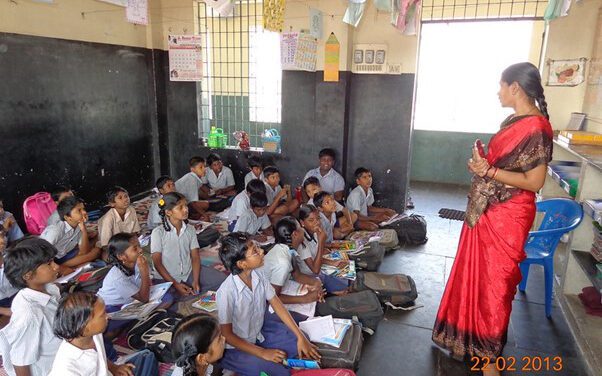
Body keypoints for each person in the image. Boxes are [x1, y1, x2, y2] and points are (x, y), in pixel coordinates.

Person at [432, 62, 553, 376]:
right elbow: (509, 169)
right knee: (477, 278)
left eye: (501, 85)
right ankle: (471, 341)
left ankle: (489, 361)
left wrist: (490, 171)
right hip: (490, 210)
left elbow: (535, 181)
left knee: (495, 286)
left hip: (508, 217)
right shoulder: (514, 120)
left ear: (515, 87)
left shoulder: (536, 127)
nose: (497, 91)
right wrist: (484, 165)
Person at [216, 232, 320, 376]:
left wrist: (300, 336)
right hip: (237, 347)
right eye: (255, 251)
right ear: (242, 264)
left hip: (258, 332)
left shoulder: (258, 274)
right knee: (276, 371)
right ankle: (235, 366)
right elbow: (227, 335)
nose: (262, 252)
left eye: (257, 247)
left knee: (301, 342)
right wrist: (262, 352)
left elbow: (277, 305)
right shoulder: (226, 292)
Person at [50, 291, 158, 376]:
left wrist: (114, 368)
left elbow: (100, 357)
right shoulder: (67, 370)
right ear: (84, 326)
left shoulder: (93, 334)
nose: (108, 317)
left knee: (147, 356)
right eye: (102, 315)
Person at [0, 237, 62, 376]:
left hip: (62, 357)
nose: (56, 266)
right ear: (28, 275)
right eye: (49, 263)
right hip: (49, 370)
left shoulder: (50, 288)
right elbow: (20, 361)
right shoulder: (28, 314)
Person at [151, 192, 226, 299]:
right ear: (168, 212)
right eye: (180, 207)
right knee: (167, 298)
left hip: (188, 272)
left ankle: (189, 291)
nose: (186, 209)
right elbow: (157, 263)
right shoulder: (158, 233)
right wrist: (175, 284)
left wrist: (195, 280)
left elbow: (195, 257)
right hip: (167, 276)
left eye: (186, 205)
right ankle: (183, 292)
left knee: (222, 279)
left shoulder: (190, 229)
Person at [265, 217, 324, 307]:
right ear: (295, 234)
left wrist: (316, 283)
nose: (303, 230)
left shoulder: (289, 249)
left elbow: (297, 275)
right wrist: (306, 298)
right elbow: (273, 297)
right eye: (301, 228)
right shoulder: (282, 263)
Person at [296, 205, 349, 294]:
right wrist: (321, 242)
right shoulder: (301, 239)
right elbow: (315, 270)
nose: (316, 223)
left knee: (346, 276)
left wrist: (333, 263)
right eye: (311, 220)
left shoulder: (316, 232)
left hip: (319, 268)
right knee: (342, 288)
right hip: (310, 275)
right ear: (302, 223)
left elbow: (315, 256)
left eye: (318, 219)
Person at [41, 196, 102, 270]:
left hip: (69, 254)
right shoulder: (56, 230)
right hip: (56, 260)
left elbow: (84, 251)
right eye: (79, 210)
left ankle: (74, 267)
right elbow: (41, 252)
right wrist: (60, 268)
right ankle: (69, 267)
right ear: (67, 217)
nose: (84, 212)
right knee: (96, 253)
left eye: (83, 209)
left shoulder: (78, 224)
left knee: (96, 251)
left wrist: (83, 229)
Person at [175, 156, 211, 221]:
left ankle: (192, 215)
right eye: (201, 167)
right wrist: (205, 215)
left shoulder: (193, 176)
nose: (204, 169)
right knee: (206, 204)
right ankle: (190, 216)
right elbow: (193, 203)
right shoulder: (192, 179)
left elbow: (203, 191)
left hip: (182, 201)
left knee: (204, 200)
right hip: (176, 204)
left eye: (204, 166)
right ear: (192, 169)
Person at [0, 230, 18, 327]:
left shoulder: (11, 256)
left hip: (18, 294)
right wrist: (5, 311)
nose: (2, 240)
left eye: (2, 236)